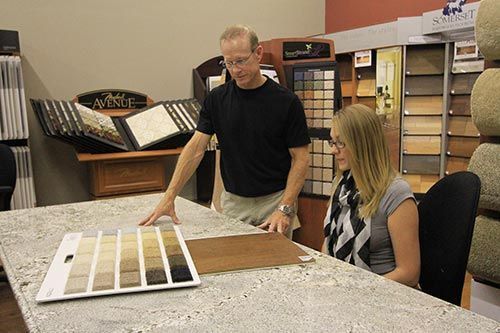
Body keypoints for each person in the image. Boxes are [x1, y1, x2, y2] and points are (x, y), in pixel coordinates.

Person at [140, 24, 310, 239]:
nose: (235, 69)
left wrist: (285, 208)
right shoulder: (217, 99)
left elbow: (301, 159)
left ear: (257, 53)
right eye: (229, 63)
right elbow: (195, 149)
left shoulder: (287, 102)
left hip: (274, 201)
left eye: (241, 61)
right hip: (234, 203)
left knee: (277, 266)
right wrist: (170, 196)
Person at [322, 104, 420, 287]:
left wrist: (357, 288)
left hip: (381, 295)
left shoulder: (396, 193)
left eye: (341, 143)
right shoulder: (342, 185)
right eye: (332, 142)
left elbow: (409, 274)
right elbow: (329, 245)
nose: (333, 150)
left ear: (362, 144)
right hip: (344, 289)